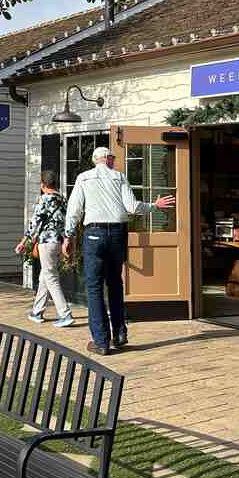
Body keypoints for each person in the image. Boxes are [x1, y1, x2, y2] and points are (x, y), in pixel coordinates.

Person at [63, 146, 176, 356]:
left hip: (94, 233)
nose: (114, 161)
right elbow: (132, 207)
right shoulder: (119, 177)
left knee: (95, 287)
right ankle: (120, 333)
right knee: (115, 283)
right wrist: (154, 205)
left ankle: (101, 341)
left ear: (96, 160)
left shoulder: (84, 178)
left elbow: (74, 210)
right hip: (117, 234)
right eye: (113, 158)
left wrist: (68, 236)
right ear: (108, 159)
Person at [15, 170, 73, 328]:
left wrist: (23, 242)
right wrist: (67, 240)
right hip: (58, 243)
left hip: (46, 243)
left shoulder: (44, 199)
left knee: (51, 277)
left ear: (42, 185)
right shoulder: (62, 199)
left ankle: (65, 314)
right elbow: (67, 221)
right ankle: (37, 311)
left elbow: (35, 223)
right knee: (45, 276)